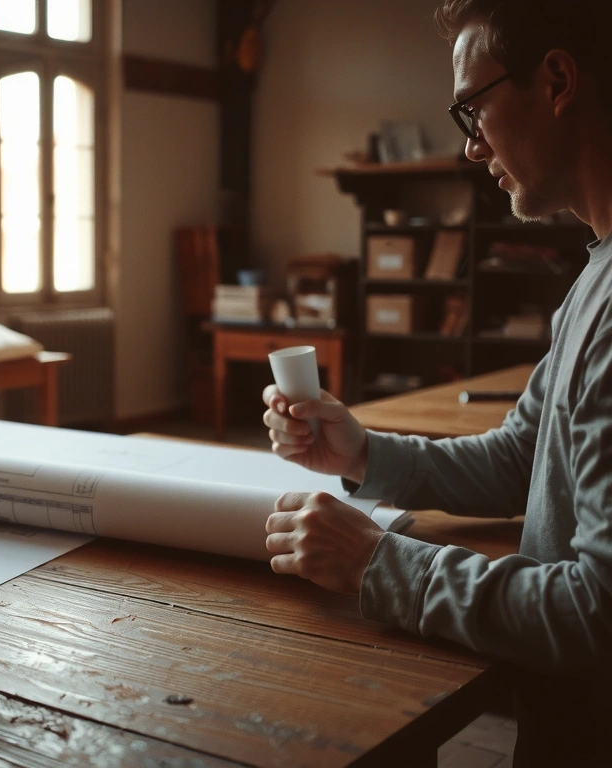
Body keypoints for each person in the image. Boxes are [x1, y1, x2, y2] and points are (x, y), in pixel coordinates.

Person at [260, 1, 612, 764]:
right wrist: (361, 454)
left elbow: (598, 616)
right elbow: (523, 459)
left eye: (471, 108)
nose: (471, 147)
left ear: (557, 80)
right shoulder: (594, 277)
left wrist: (380, 563)